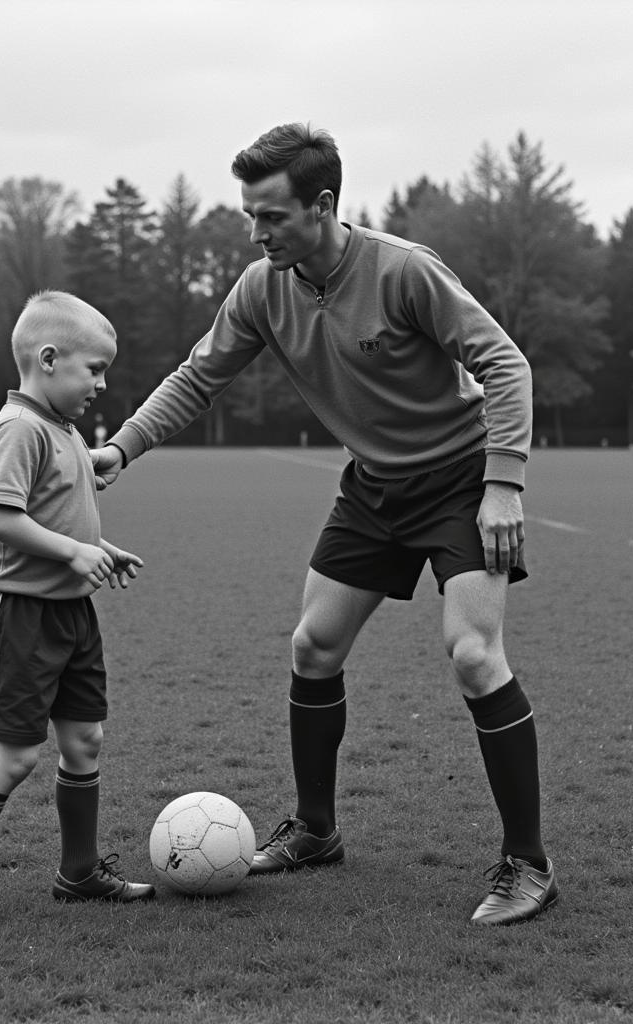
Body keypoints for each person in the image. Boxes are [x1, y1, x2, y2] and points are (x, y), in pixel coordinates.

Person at [92, 123, 556, 926]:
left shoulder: (404, 272)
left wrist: (503, 487)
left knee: (475, 655)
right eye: (251, 217)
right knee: (312, 646)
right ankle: (316, 829)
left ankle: (528, 865)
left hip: (458, 481)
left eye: (272, 216)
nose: (258, 232)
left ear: (323, 205)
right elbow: (199, 377)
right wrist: (121, 449)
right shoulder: (263, 287)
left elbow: (504, 363)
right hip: (373, 489)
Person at [0, 290, 154, 928]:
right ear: (48, 359)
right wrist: (76, 555)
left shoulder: (65, 430)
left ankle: (78, 873)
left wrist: (97, 549)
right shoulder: (20, 427)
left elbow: (56, 516)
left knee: (84, 740)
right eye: (94, 369)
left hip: (71, 613)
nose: (102, 384)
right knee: (16, 756)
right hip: (16, 614)